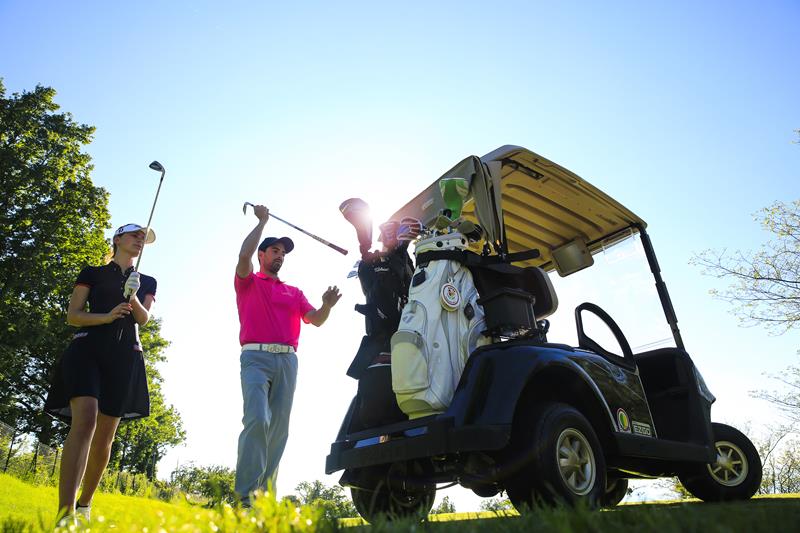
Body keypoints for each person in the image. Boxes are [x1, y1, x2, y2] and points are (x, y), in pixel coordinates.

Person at [44, 223, 157, 526]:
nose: (139, 241)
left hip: (125, 357)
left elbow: (143, 319)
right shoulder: (92, 273)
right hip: (86, 350)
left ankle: (84, 504)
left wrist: (133, 295)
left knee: (105, 437)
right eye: (135, 235)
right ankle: (65, 515)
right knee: (85, 420)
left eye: (143, 239)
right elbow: (73, 315)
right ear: (118, 239)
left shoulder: (147, 281)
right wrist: (106, 317)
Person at [234, 204, 341, 506]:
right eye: (275, 251)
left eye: (283, 253)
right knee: (257, 419)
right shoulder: (249, 281)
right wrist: (262, 222)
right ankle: (245, 498)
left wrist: (326, 306)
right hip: (255, 358)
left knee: (278, 431)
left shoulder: (294, 292)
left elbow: (316, 319)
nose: (280, 256)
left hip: (287, 361)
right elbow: (243, 256)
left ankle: (264, 501)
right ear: (262, 255)